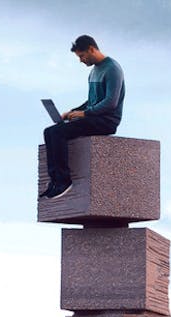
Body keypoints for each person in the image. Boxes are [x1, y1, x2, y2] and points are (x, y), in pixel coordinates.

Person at [41, 35, 125, 200]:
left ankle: (64, 181)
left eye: (81, 56)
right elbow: (92, 101)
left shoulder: (113, 68)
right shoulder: (93, 72)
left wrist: (84, 114)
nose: (81, 60)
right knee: (49, 131)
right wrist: (72, 112)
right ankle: (55, 181)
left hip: (106, 121)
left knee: (59, 133)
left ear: (91, 49)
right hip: (93, 117)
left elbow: (110, 103)